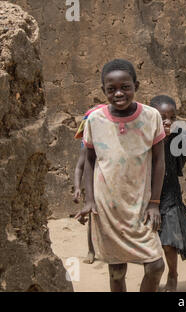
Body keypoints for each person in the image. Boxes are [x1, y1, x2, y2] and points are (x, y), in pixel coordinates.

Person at [75, 59, 166, 292]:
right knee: (117, 272)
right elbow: (89, 161)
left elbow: (159, 161)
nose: (119, 93)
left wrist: (154, 203)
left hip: (141, 205)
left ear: (136, 85)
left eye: (125, 87)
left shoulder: (151, 116)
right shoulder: (95, 120)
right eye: (111, 89)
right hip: (108, 207)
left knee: (155, 266)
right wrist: (89, 200)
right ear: (103, 90)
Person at [149, 95, 186, 292]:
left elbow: (178, 166)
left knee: (169, 242)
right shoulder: (144, 138)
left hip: (169, 195)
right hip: (147, 197)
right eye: (161, 117)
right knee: (150, 241)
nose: (167, 122)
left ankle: (172, 274)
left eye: (172, 118)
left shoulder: (179, 139)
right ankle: (152, 277)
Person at [73, 103, 106, 264]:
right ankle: (91, 250)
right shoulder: (87, 147)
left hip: (109, 185)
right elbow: (80, 167)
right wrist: (78, 187)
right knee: (93, 218)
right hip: (93, 186)